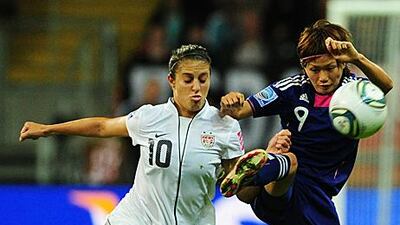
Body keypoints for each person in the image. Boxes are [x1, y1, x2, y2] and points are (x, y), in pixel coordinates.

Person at [19, 44, 291, 225]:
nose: (196, 87)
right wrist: (49, 129)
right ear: (171, 81)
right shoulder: (151, 116)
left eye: (203, 79)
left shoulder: (225, 124)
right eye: (188, 79)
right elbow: (103, 127)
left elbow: (240, 191)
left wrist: (262, 167)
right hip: (138, 217)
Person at [219, 19, 393, 225]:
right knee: (290, 161)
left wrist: (358, 58)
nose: (323, 77)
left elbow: (386, 85)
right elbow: (239, 111)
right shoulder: (292, 89)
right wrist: (230, 102)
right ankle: (251, 177)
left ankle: (252, 175)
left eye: (330, 68)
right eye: (315, 70)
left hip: (317, 194)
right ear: (304, 66)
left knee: (282, 167)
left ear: (343, 62)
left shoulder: (354, 91)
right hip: (286, 185)